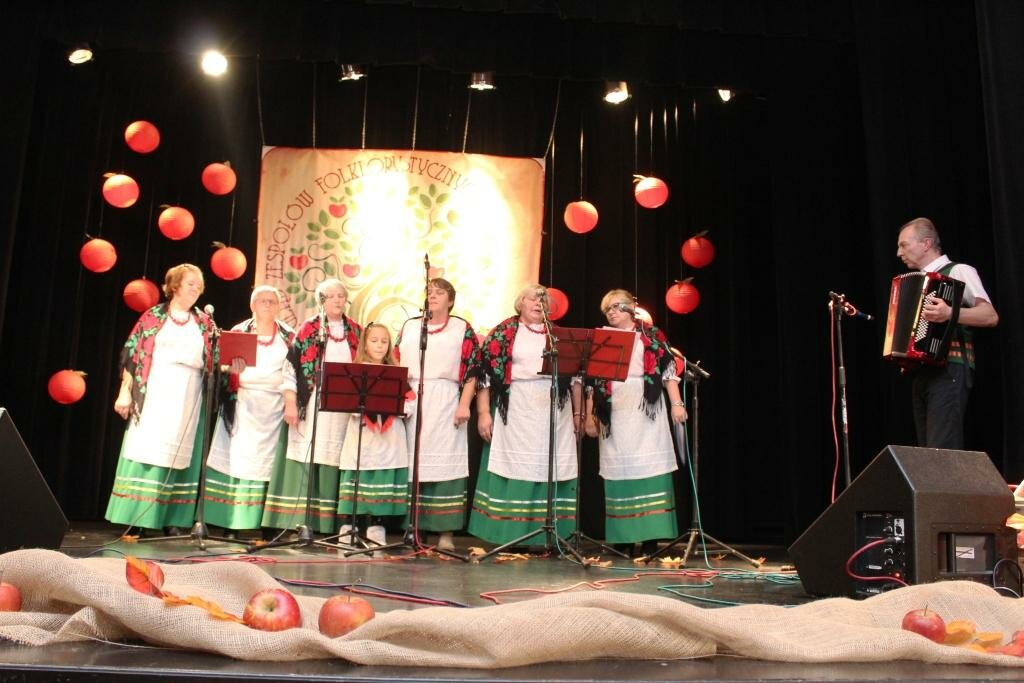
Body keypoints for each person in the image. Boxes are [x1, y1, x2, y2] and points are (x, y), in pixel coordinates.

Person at [107, 263, 216, 536]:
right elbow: (133, 356)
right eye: (190, 283)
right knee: (149, 449)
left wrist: (231, 366)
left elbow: (216, 362)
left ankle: (172, 519)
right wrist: (124, 392)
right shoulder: (153, 316)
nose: (196, 288)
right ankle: (137, 518)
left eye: (199, 285)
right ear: (175, 286)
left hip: (189, 391)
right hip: (156, 388)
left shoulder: (204, 322)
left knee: (180, 453)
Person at [468, 285, 581, 547]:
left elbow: (575, 378)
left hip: (554, 409)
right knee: (515, 466)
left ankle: (548, 537)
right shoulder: (503, 333)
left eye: (544, 300)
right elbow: (485, 375)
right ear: (520, 303)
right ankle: (510, 535)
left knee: (548, 467)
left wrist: (578, 413)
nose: (539, 303)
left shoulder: (559, 336)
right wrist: (483, 412)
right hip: (516, 407)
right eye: (533, 298)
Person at [583, 289, 687, 557]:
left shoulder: (651, 335)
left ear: (631, 308)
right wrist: (591, 416)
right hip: (615, 410)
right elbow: (592, 382)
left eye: (616, 306)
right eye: (607, 309)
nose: (611, 312)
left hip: (646, 409)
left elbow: (668, 372)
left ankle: (650, 539)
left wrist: (676, 404)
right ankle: (623, 540)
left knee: (649, 467)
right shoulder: (604, 339)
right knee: (620, 469)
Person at [261, 279, 361, 534]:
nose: (337, 300)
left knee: (336, 458)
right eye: (331, 296)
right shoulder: (309, 329)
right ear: (321, 301)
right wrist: (291, 402)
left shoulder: (356, 331)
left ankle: (329, 525)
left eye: (341, 295)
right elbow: (291, 367)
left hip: (343, 405)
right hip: (314, 401)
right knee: (308, 453)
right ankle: (298, 522)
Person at [202, 286, 298, 538]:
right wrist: (231, 370)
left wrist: (290, 402)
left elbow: (295, 372)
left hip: (274, 407)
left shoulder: (289, 336)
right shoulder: (239, 332)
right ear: (252, 305)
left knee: (270, 466)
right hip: (242, 404)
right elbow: (220, 367)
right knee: (237, 461)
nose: (267, 304)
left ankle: (268, 525)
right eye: (262, 300)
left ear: (279, 307)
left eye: (272, 301)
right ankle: (230, 523)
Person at [896, 217, 998, 449]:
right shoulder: (917, 281)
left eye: (903, 245)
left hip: (950, 367)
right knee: (928, 452)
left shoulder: (959, 270)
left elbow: (990, 316)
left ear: (926, 243)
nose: (899, 253)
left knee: (942, 448)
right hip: (922, 372)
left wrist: (950, 313)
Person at [395, 278, 480, 552]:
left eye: (439, 292)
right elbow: (394, 359)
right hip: (412, 398)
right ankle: (413, 529)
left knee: (446, 463)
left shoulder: (461, 328)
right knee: (414, 462)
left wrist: (464, 404)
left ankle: (445, 532)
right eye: (429, 292)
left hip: (446, 397)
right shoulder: (410, 326)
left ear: (450, 300)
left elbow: (473, 369)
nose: (432, 296)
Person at [336, 322, 410, 550]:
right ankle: (349, 528)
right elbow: (345, 401)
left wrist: (400, 408)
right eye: (374, 340)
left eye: (384, 341)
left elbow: (410, 401)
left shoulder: (396, 373)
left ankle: (376, 528)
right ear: (365, 344)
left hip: (388, 437)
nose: (379, 345)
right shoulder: (355, 372)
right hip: (362, 434)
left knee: (381, 479)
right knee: (357, 476)